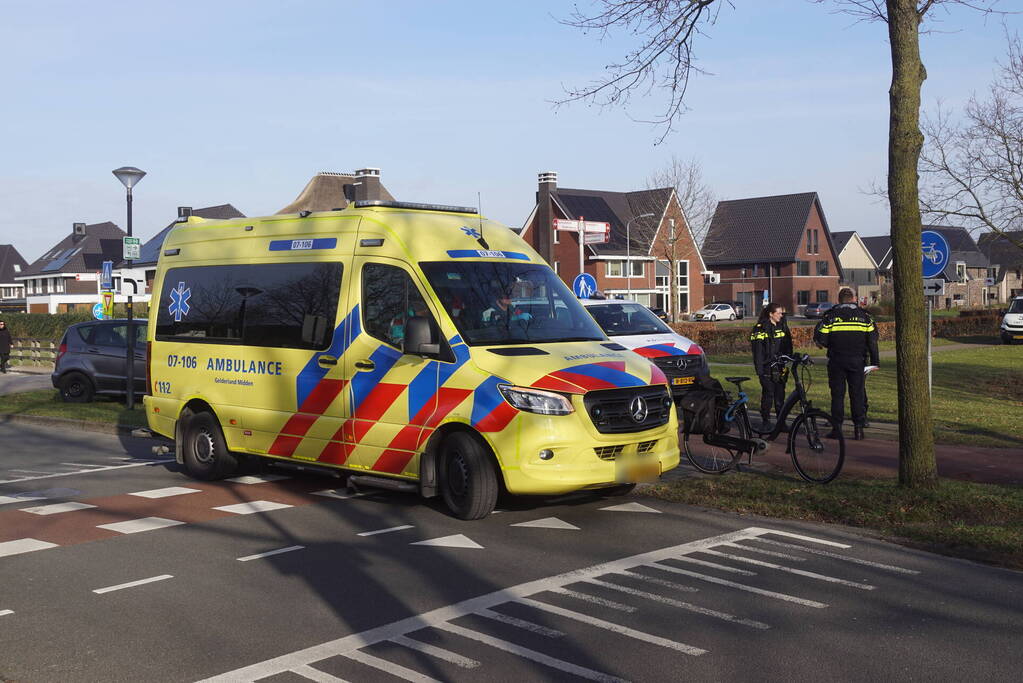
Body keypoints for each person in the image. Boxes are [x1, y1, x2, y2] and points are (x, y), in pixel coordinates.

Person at [813, 287, 879, 440]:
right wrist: (875, 363)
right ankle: (858, 430)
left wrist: (831, 344)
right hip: (858, 361)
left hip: (837, 361)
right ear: (854, 299)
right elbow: (873, 341)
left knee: (837, 395)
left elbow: (821, 340)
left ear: (839, 300)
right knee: (857, 395)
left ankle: (837, 429)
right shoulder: (865, 317)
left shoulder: (830, 317)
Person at [749, 302, 793, 432]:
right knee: (768, 394)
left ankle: (781, 422)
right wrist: (760, 371)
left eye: (782, 313)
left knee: (780, 395)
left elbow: (787, 345)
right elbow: (757, 351)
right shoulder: (760, 328)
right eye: (778, 313)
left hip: (780, 367)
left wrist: (789, 357)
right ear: (771, 314)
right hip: (766, 367)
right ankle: (766, 421)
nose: (781, 315)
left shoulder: (782, 326)